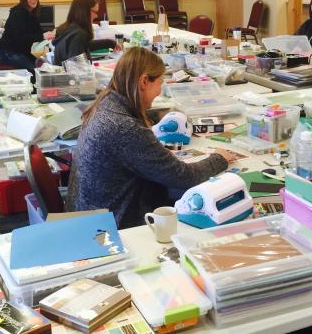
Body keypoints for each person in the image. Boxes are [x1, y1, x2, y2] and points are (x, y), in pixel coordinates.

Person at [66, 47, 238, 228]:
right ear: (144, 81)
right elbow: (184, 177)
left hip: (87, 212)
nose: (159, 91)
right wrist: (219, 159)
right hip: (110, 225)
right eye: (160, 82)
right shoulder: (125, 128)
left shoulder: (105, 103)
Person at [0, 0, 54, 74]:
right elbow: (19, 38)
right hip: (6, 52)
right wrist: (42, 36)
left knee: (43, 68)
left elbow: (38, 33)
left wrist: (49, 36)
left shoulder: (33, 14)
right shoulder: (17, 13)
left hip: (21, 52)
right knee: (34, 72)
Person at [52, 0, 116, 64]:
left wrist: (110, 43)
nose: (96, 16)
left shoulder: (66, 28)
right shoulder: (78, 35)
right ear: (84, 12)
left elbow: (85, 45)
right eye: (95, 12)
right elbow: (78, 69)